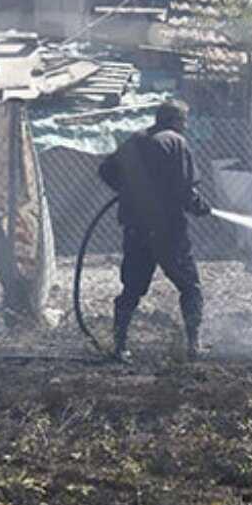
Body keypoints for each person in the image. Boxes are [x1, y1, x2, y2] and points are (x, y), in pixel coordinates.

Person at [98, 99, 211, 363]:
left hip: (136, 227)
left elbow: (106, 170)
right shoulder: (175, 142)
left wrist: (130, 191)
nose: (185, 126)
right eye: (184, 121)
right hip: (168, 230)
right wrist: (200, 207)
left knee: (132, 288)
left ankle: (120, 346)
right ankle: (194, 345)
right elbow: (184, 190)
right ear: (176, 121)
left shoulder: (135, 140)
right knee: (190, 286)